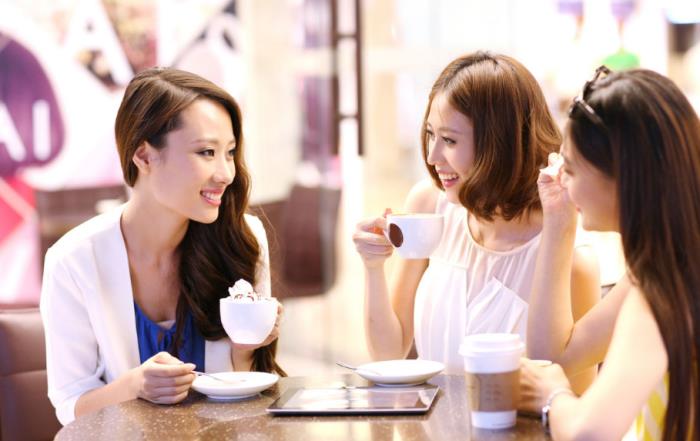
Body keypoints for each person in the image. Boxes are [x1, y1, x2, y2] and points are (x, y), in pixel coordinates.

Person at [40, 67, 284, 425]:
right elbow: (70, 405)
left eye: (229, 152)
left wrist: (246, 348)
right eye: (206, 152)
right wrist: (134, 385)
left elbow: (246, 401)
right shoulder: (73, 260)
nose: (225, 174)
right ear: (144, 156)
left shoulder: (242, 237)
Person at [352, 52, 600, 383]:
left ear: (499, 144)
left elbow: (576, 398)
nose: (432, 156)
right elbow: (389, 353)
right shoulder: (429, 206)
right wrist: (373, 267)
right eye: (430, 134)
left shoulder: (569, 258)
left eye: (449, 140)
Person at [520, 66, 700, 440]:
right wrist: (558, 221)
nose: (560, 179)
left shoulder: (660, 288)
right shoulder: (667, 266)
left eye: (571, 168)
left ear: (623, 175)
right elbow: (556, 355)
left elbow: (590, 432)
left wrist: (552, 396)